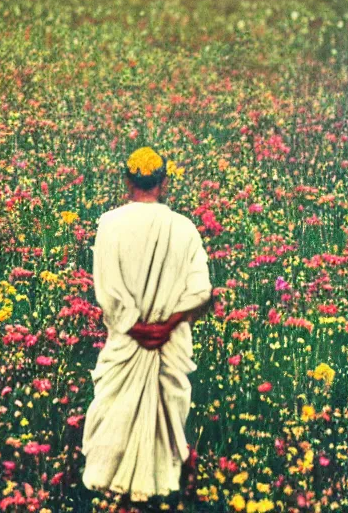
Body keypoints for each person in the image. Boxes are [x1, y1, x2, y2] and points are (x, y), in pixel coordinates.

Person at [81, 146, 213, 506]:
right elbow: (201, 289)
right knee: (166, 410)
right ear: (164, 182)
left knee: (113, 409)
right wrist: (166, 325)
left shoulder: (109, 223)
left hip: (126, 343)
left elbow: (106, 289)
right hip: (169, 343)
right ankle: (158, 485)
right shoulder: (183, 228)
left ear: (128, 181)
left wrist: (135, 328)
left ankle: (109, 484)